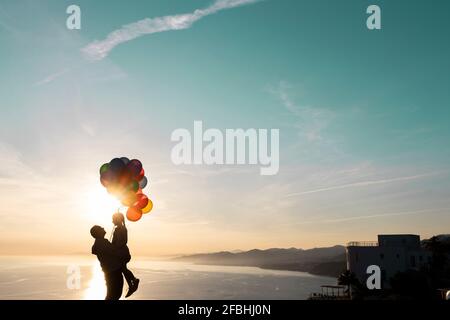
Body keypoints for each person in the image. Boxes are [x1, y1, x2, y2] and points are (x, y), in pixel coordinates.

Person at [90, 225, 123, 300]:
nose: (103, 228)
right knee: (114, 295)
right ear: (98, 232)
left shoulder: (100, 243)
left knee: (113, 295)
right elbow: (115, 251)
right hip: (113, 272)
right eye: (101, 228)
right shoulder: (102, 243)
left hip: (110, 272)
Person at [111, 212, 140, 298]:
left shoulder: (122, 229)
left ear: (118, 219)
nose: (112, 221)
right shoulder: (118, 229)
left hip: (122, 253)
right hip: (119, 252)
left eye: (113, 219)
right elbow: (115, 242)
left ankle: (134, 281)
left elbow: (124, 241)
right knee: (123, 268)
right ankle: (132, 284)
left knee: (123, 268)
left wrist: (114, 248)